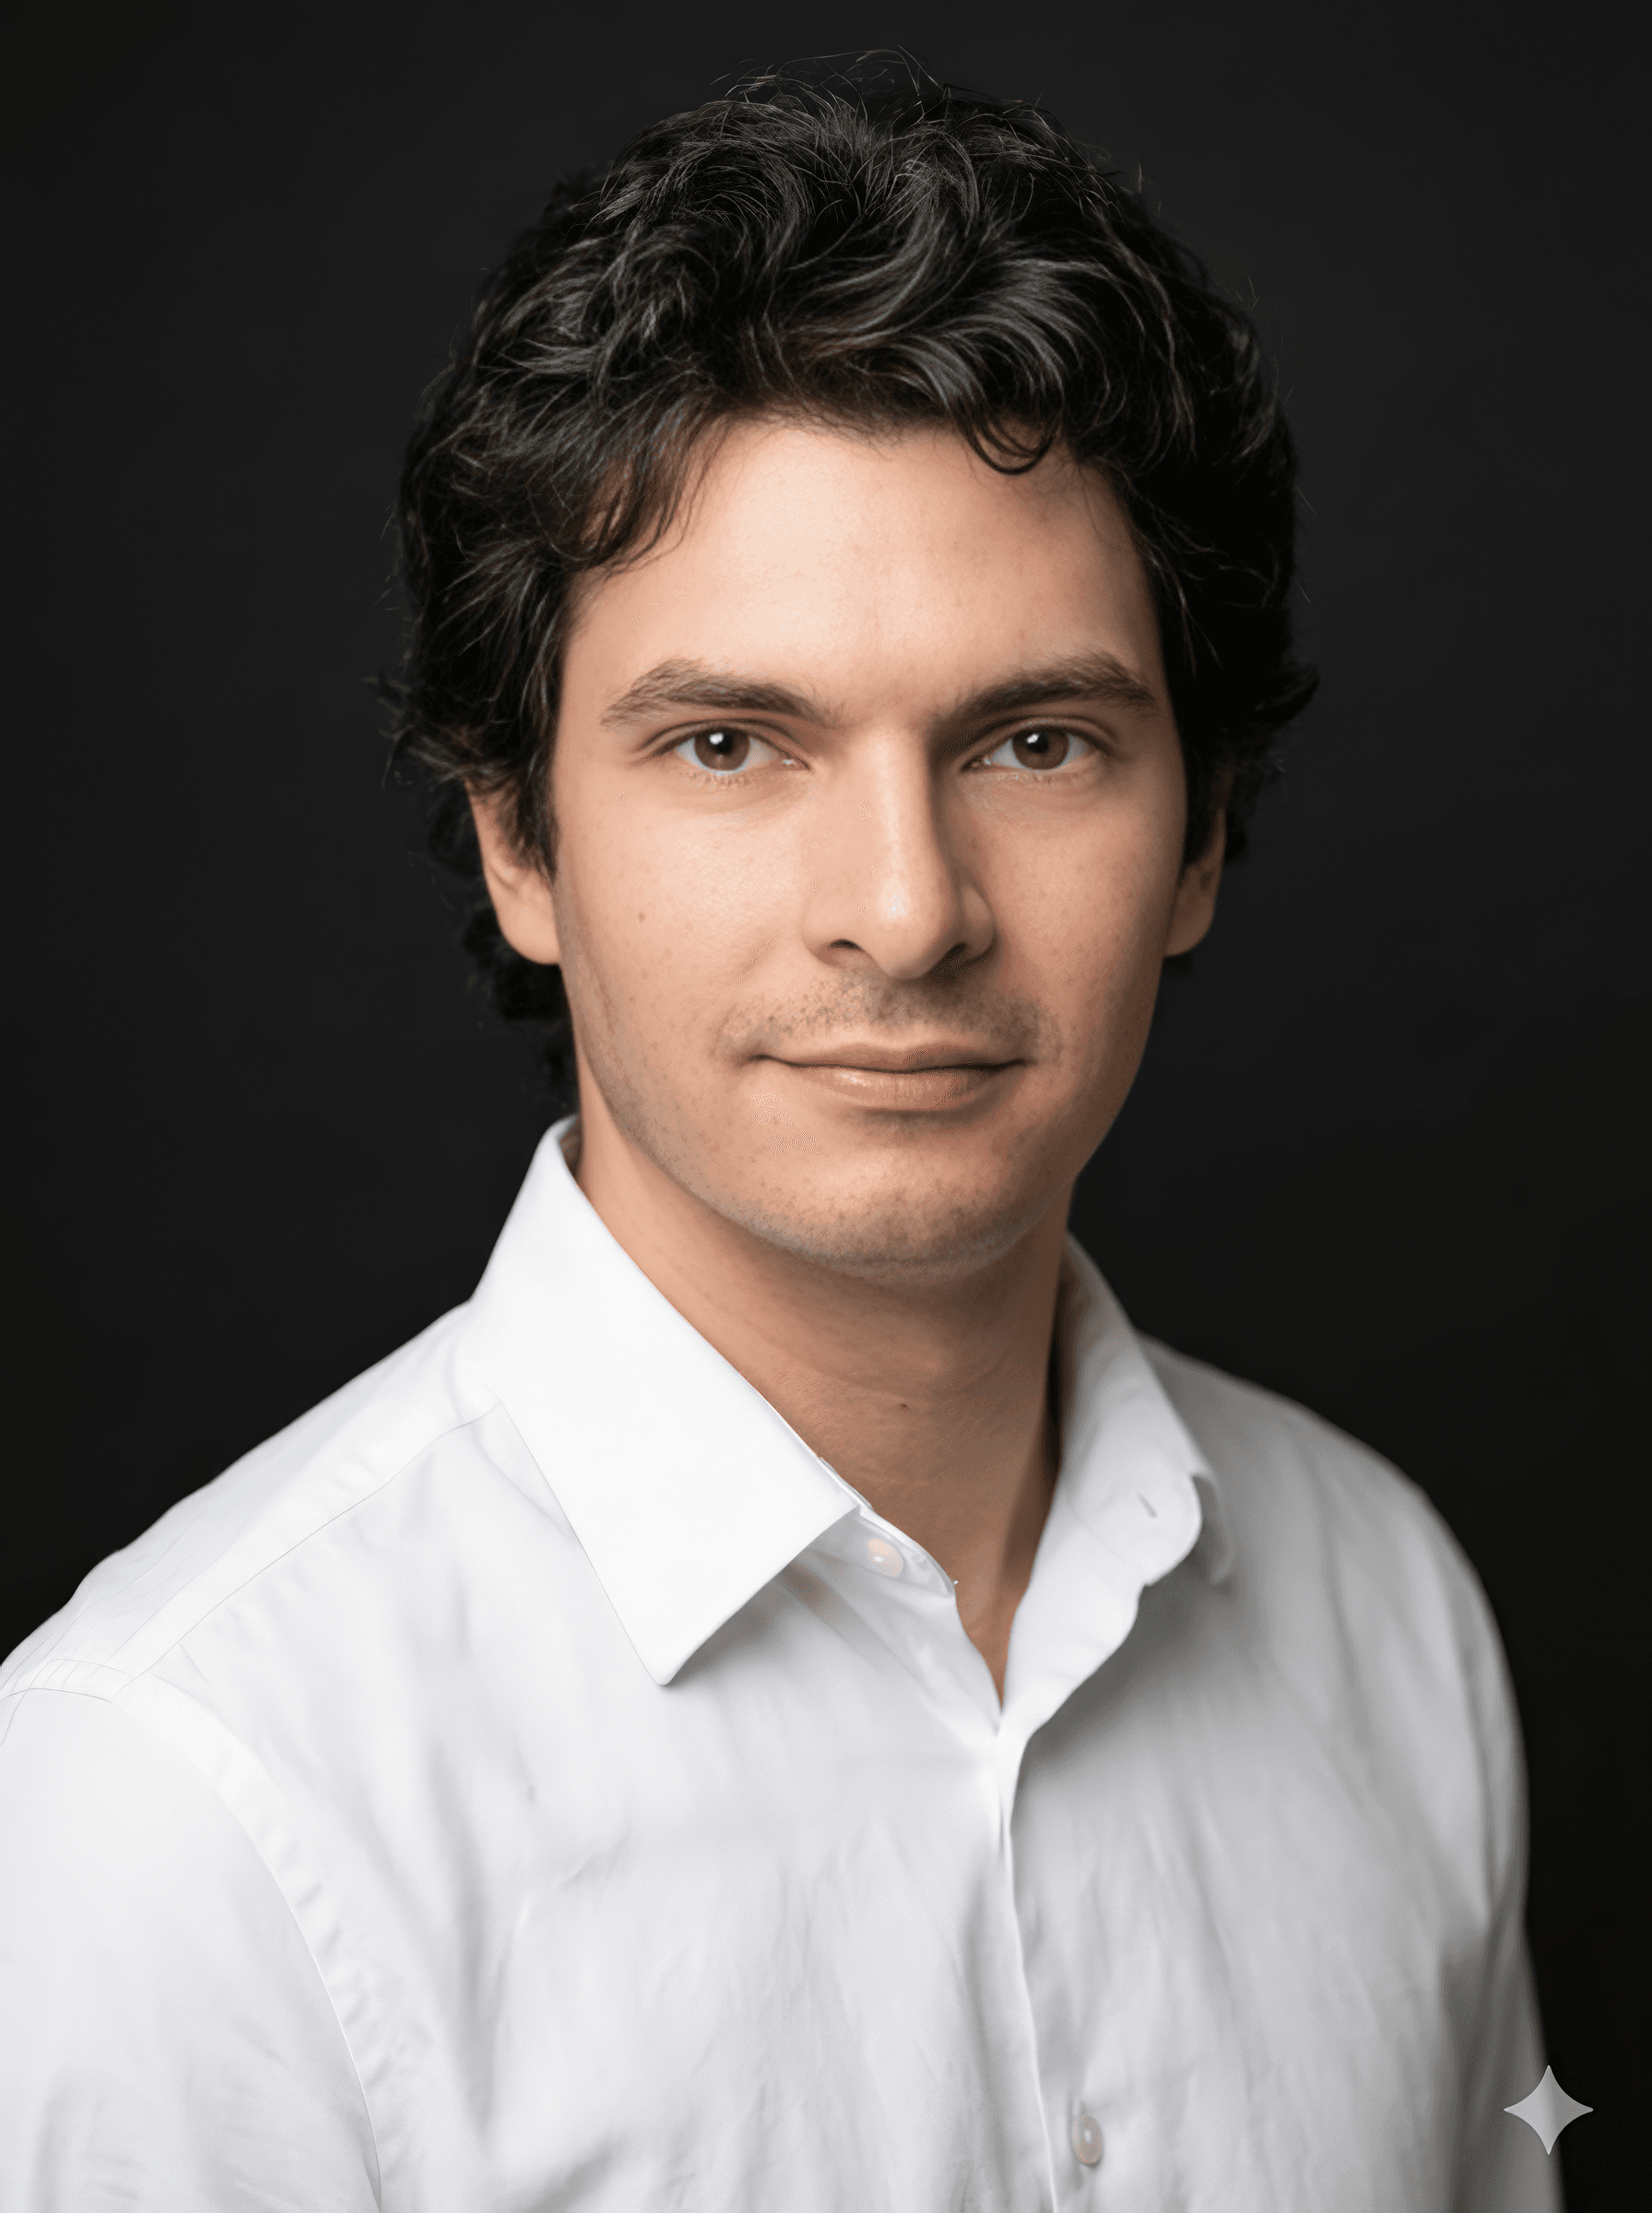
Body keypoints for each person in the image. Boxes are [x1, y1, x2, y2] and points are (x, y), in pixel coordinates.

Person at [0, 70, 1557, 2212]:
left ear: (1197, 833)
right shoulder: (181, 1804)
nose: (905, 910)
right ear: (517, 842)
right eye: (729, 743)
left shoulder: (1383, 1610)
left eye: (1035, 739)